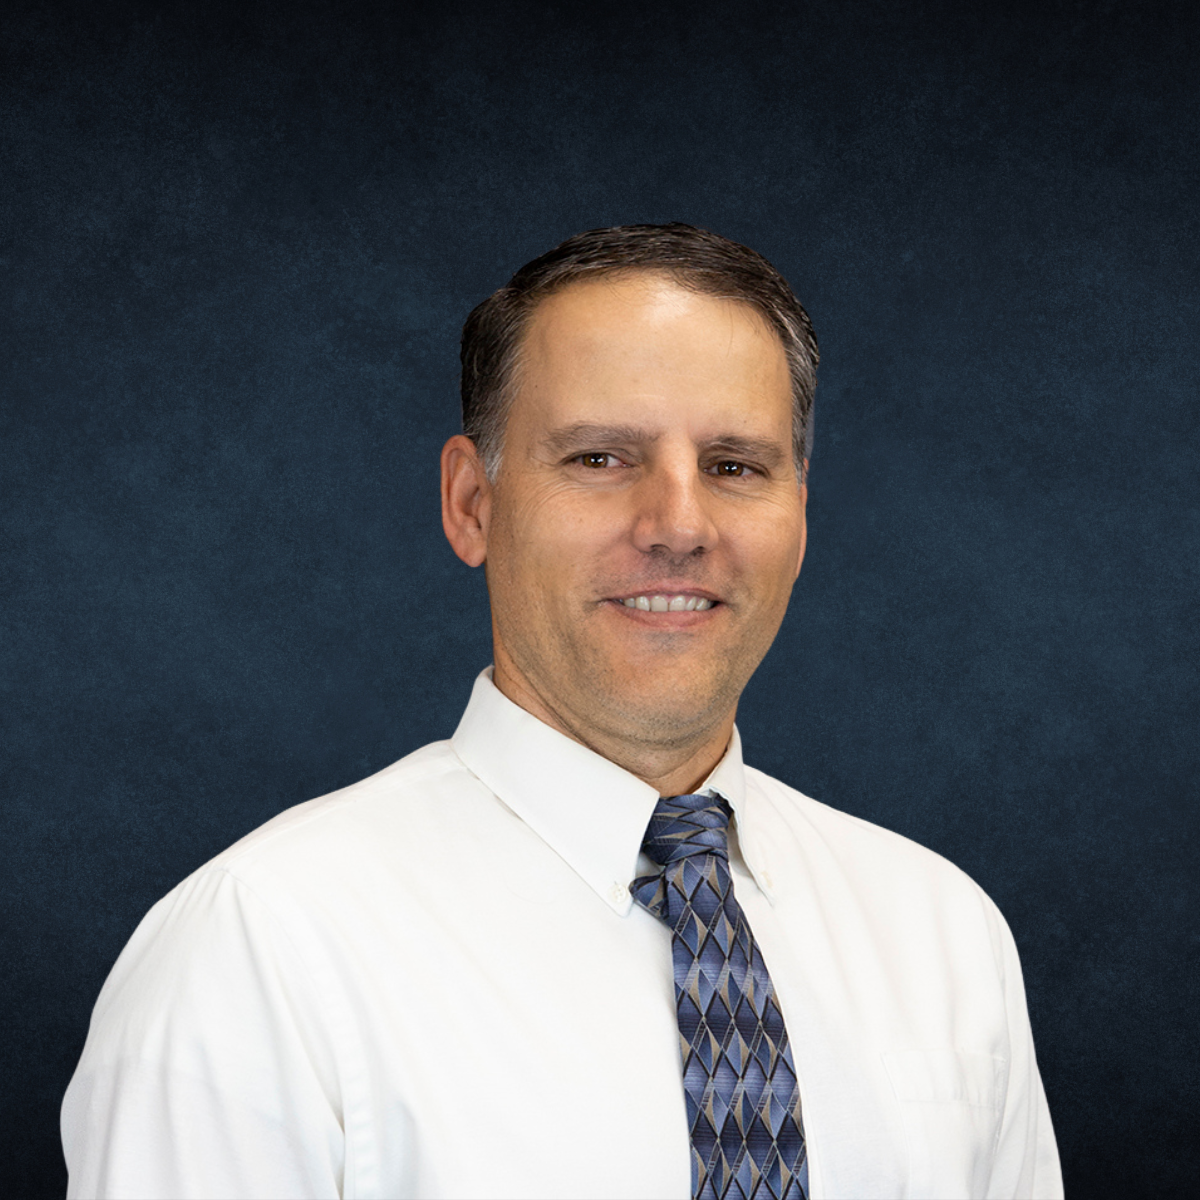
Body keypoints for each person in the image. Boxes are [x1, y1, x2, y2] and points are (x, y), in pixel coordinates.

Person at [62, 223, 1063, 1200]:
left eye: (734, 466)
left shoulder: (942, 935)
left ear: (799, 514)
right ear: (473, 504)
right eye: (600, 458)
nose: (679, 525)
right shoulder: (261, 953)